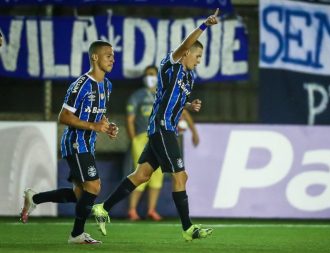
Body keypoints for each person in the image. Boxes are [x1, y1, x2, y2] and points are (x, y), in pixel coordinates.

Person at [92, 9, 220, 241]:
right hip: (162, 128)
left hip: (165, 128)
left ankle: (103, 208)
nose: (199, 61)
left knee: (141, 174)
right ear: (185, 54)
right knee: (181, 176)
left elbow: (174, 100)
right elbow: (184, 44)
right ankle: (188, 228)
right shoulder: (171, 64)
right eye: (197, 56)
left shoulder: (190, 77)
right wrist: (204, 26)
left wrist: (189, 105)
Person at [20, 40, 118, 244]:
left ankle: (34, 198)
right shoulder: (81, 84)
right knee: (94, 186)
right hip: (75, 142)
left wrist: (107, 126)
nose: (112, 59)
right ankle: (76, 235)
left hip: (87, 144)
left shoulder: (107, 86)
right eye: (108, 55)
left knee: (80, 194)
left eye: (113, 55)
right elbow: (63, 117)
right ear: (95, 57)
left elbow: (98, 116)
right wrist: (93, 127)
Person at [126, 65, 164, 221]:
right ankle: (132, 210)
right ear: (144, 77)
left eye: (153, 74)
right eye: (148, 74)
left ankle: (151, 210)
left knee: (157, 175)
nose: (151, 77)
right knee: (140, 173)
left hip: (159, 138)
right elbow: (129, 119)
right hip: (142, 138)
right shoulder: (137, 96)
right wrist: (134, 138)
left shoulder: (162, 94)